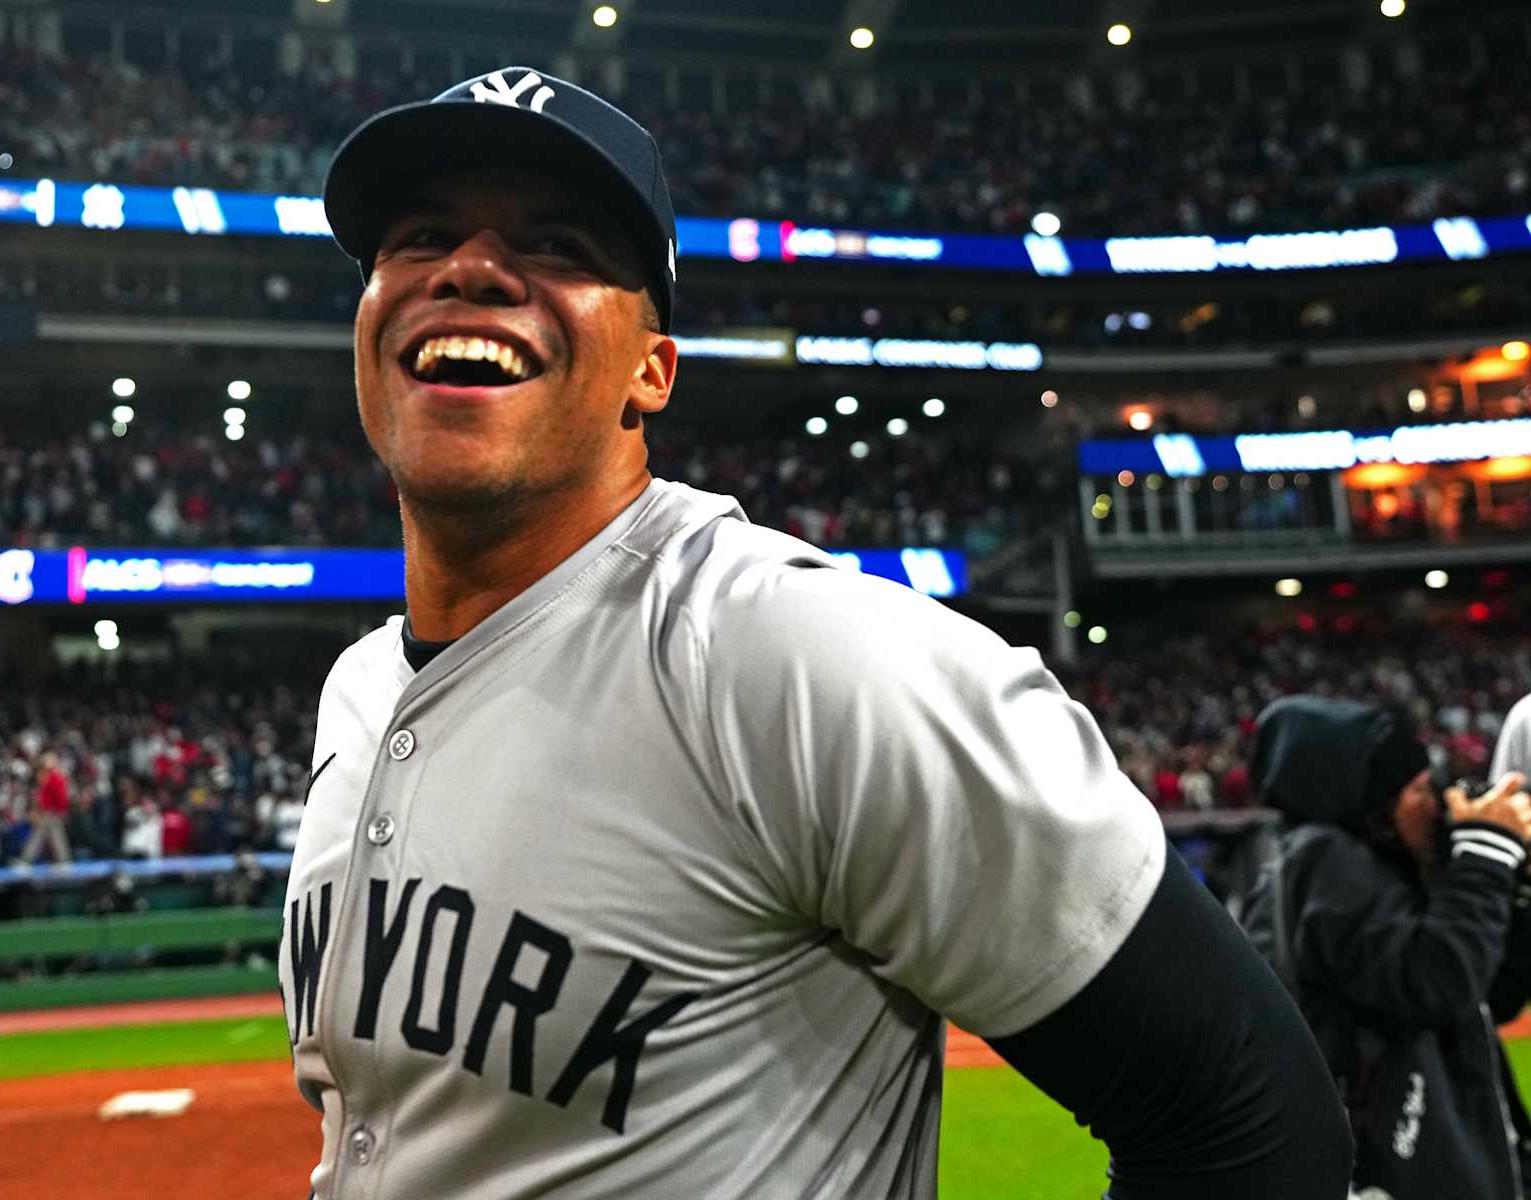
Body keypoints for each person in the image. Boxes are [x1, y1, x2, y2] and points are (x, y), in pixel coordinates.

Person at [280, 67, 1351, 1199]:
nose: (472, 269)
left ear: (652, 372)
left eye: (557, 246)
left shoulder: (796, 653)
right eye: (419, 237)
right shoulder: (357, 689)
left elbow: (1247, 1117)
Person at [1239, 696, 1531, 1200]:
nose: (1436, 803)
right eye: (1418, 789)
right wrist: (1485, 857)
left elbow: (1489, 996)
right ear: (1368, 801)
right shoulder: (1323, 861)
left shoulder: (1372, 873)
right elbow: (1439, 981)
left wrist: (1513, 885)